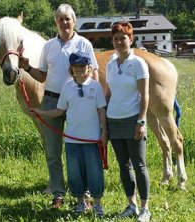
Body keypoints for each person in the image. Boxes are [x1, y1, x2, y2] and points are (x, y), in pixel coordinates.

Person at [19, 4, 99, 208]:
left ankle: (85, 194)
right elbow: (43, 75)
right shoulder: (49, 46)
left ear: (74, 21)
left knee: (80, 149)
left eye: (67, 19)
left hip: (78, 103)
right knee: (53, 152)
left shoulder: (84, 44)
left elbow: (94, 75)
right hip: (52, 100)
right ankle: (58, 194)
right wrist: (27, 67)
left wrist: (93, 101)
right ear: (56, 22)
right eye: (60, 19)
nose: (64, 23)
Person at [31, 52, 107, 217]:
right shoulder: (67, 88)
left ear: (89, 68)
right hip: (73, 140)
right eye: (76, 66)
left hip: (92, 140)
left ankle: (97, 204)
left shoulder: (96, 87)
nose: (79, 69)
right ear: (71, 69)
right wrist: (40, 112)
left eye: (83, 66)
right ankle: (80, 202)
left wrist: (104, 132)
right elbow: (59, 111)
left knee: (94, 173)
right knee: (75, 174)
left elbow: (102, 111)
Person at [105, 22, 151, 222]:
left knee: (139, 165)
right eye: (115, 38)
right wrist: (104, 121)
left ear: (130, 39)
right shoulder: (110, 64)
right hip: (114, 120)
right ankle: (131, 204)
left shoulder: (138, 63)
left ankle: (144, 208)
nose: (119, 42)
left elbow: (145, 95)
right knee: (124, 166)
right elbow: (108, 94)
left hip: (133, 120)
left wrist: (141, 120)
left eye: (123, 38)